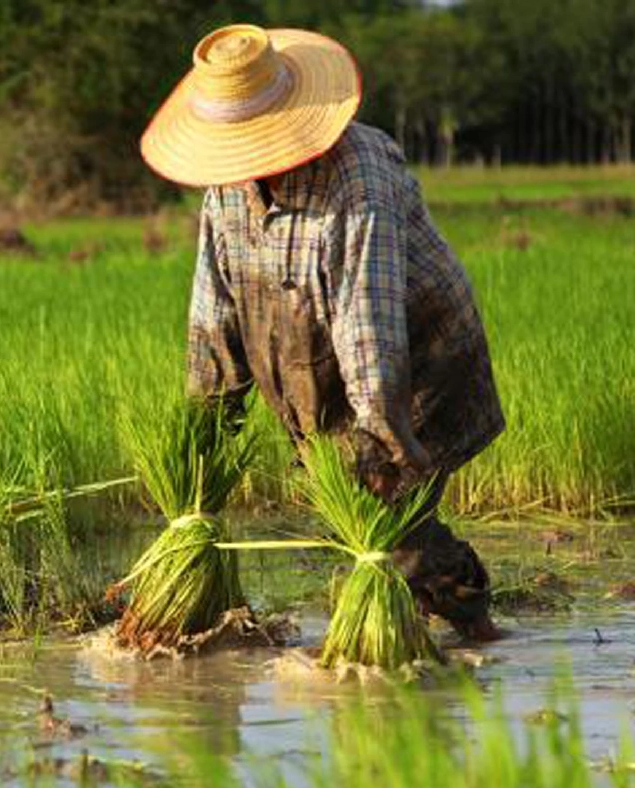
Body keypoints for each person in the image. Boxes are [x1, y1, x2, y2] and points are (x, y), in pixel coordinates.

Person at [139, 24, 505, 640]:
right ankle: (426, 620)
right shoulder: (226, 195)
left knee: (392, 527)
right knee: (362, 519)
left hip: (418, 364)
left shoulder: (358, 178)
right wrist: (200, 445)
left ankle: (474, 628)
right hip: (315, 371)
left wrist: (381, 439)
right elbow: (213, 320)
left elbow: (371, 329)